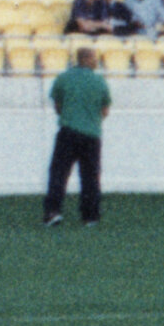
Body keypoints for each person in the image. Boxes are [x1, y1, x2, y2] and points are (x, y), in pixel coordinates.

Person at [43, 44, 110, 223]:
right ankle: (90, 216)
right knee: (90, 176)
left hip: (68, 132)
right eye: (94, 58)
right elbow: (105, 110)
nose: (96, 61)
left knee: (59, 173)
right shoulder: (99, 81)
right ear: (86, 59)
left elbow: (58, 105)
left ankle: (53, 212)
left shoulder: (64, 78)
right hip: (92, 135)